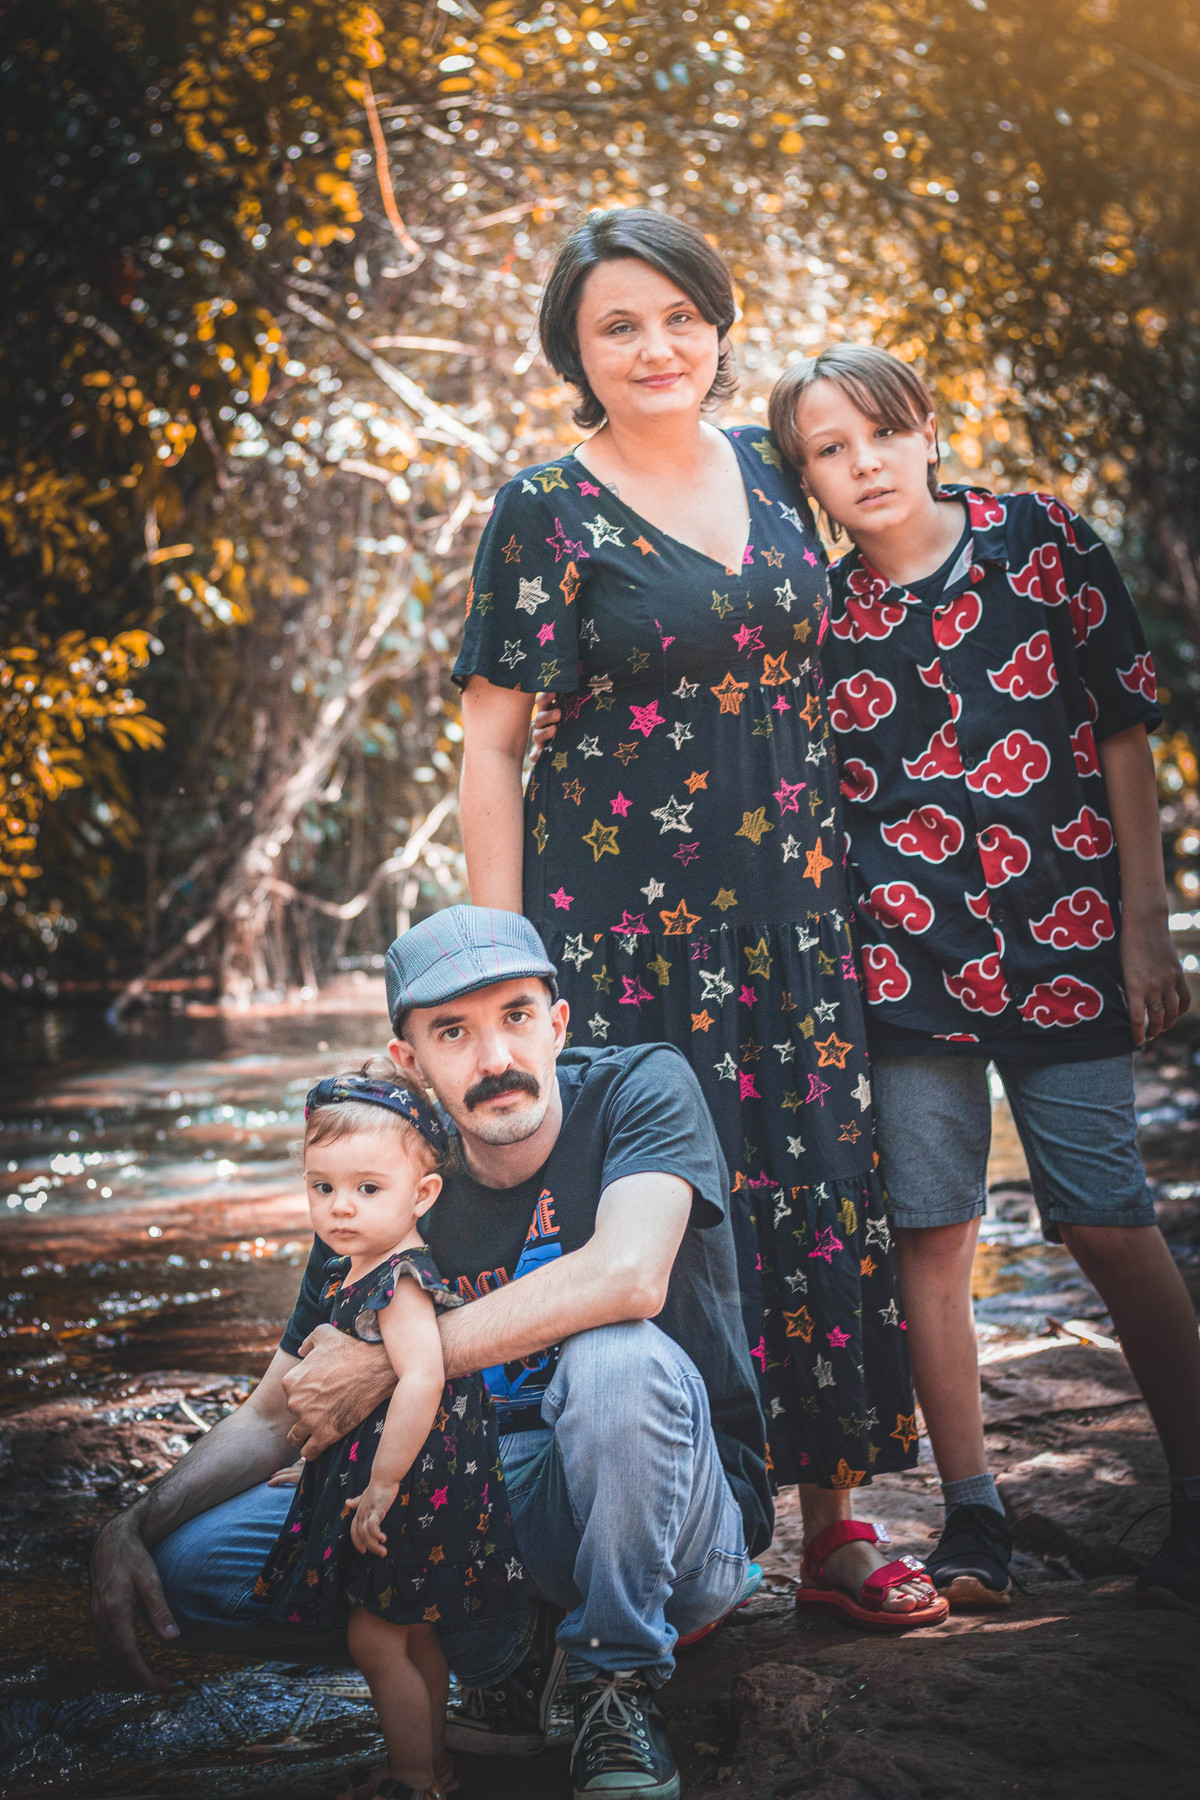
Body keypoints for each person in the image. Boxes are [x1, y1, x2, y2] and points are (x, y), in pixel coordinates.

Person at [457, 207, 945, 1633]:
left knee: (814, 1193)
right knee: (667, 1223)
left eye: (680, 316)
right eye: (618, 326)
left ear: (719, 326)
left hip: (794, 917)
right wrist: (505, 973)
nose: (656, 347)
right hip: (619, 931)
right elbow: (491, 745)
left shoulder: (778, 471)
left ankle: (836, 1529)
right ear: (575, 353)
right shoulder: (545, 509)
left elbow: (908, 558)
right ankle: (691, 1541)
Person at [91, 906, 775, 1800]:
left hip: (672, 1516)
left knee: (617, 1358)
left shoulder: (641, 1087)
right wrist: (133, 1525)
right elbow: (278, 1410)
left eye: (516, 1016)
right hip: (483, 1513)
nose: (495, 1058)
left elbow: (629, 1276)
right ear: (409, 1059)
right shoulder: (389, 1171)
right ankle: (511, 1653)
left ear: (557, 1024)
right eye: (453, 1032)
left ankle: (616, 1680)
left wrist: (394, 1363)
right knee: (187, 1569)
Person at [767, 341, 1200, 1612]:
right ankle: (974, 1517)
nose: (864, 465)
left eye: (881, 433)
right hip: (903, 970)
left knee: (1110, 1219)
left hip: (1069, 939)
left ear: (927, 429)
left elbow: (1123, 730)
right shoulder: (820, 619)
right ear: (806, 480)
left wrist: (1146, 923)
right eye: (829, 451)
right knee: (934, 1235)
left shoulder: (1044, 542)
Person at [255, 1071, 525, 1800]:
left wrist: (379, 1483)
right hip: (400, 1473)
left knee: (374, 1639)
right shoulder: (355, 1269)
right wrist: (325, 1465)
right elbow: (359, 1400)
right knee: (413, 1630)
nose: (340, 1206)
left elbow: (422, 1378)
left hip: (410, 1483)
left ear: (422, 1194)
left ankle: (409, 1779)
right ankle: (433, 1768)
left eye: (368, 1189)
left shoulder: (400, 1281)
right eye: (323, 1187)